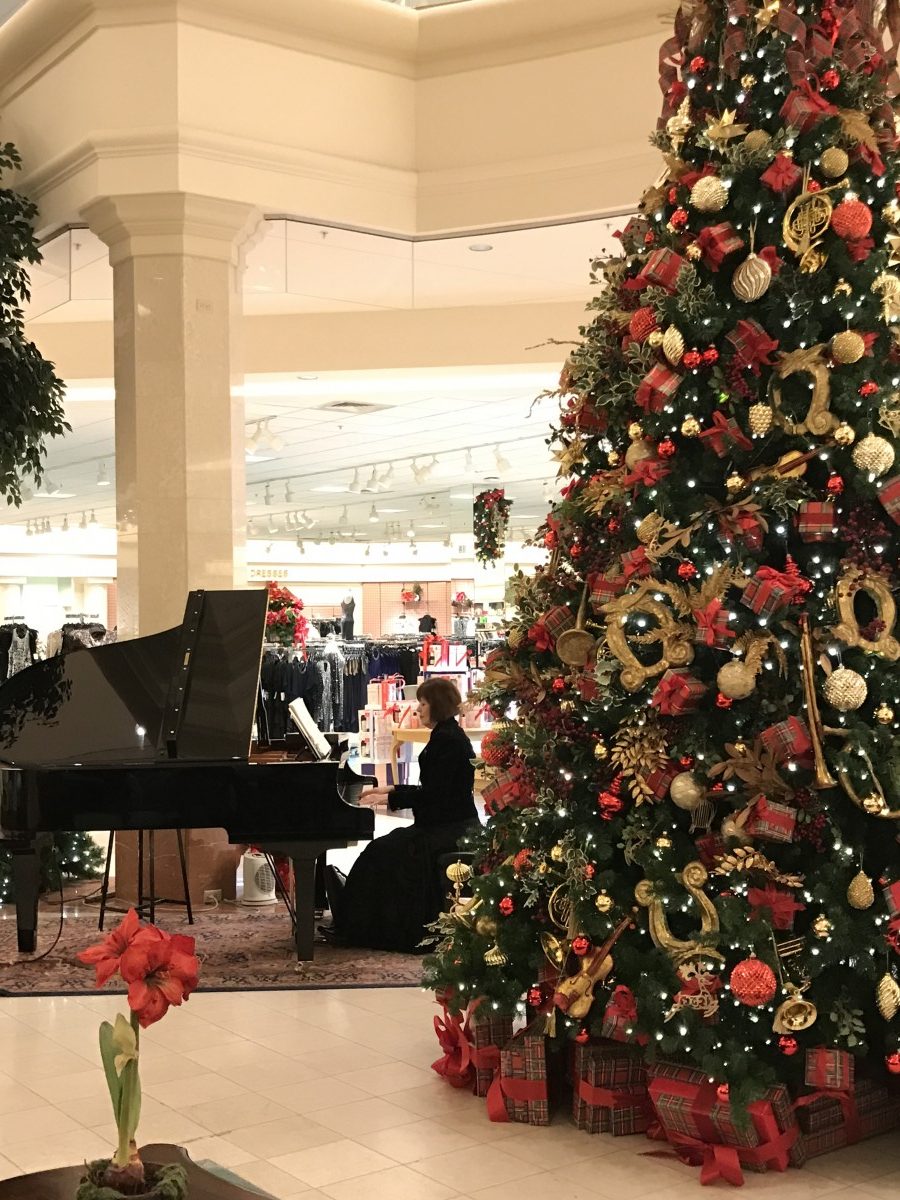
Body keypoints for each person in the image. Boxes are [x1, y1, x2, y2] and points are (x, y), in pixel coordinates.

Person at [324, 677, 478, 952]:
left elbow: (435, 796)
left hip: (450, 830)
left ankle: (360, 927)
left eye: (423, 703)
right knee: (382, 850)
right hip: (445, 824)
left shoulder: (448, 740)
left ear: (437, 705)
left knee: (381, 852)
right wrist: (388, 789)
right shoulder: (446, 734)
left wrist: (391, 797)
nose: (418, 710)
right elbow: (432, 789)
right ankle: (355, 922)